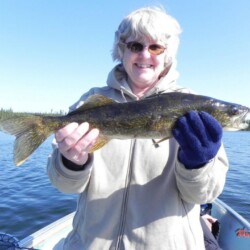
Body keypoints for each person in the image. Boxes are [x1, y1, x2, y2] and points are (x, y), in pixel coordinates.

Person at [47, 6, 229, 250]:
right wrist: (72, 163)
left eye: (155, 47)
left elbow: (203, 195)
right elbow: (64, 185)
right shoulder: (91, 101)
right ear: (121, 50)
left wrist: (197, 164)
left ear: (167, 54)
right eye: (135, 46)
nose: (145, 55)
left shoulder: (193, 109)